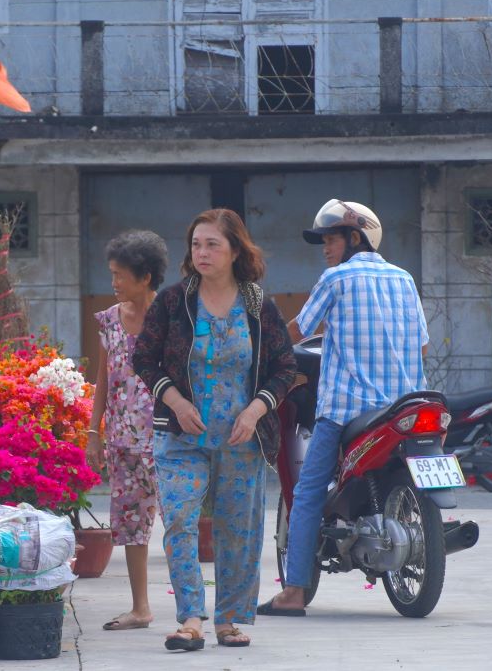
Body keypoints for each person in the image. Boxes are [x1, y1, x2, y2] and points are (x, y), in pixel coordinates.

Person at [133, 209, 296, 650]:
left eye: (212, 245)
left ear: (236, 250)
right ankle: (190, 618)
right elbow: (143, 359)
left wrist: (256, 411)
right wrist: (177, 401)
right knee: (181, 521)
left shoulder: (259, 305)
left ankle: (229, 619)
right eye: (196, 244)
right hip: (181, 435)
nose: (202, 253)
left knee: (238, 529)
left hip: (241, 438)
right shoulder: (173, 302)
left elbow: (284, 367)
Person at [257, 199, 429, 617]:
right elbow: (422, 344)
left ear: (355, 238)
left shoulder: (336, 278)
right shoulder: (404, 278)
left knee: (306, 493)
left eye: (331, 239)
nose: (325, 248)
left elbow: (298, 330)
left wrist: (260, 349)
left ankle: (294, 592)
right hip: (407, 406)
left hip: (346, 409)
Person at [86, 230, 168, 632]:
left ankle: (193, 607)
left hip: (169, 439)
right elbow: (103, 378)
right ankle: (141, 608)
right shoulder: (108, 321)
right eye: (112, 274)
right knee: (133, 525)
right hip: (122, 441)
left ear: (146, 276)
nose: (114, 282)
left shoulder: (171, 319)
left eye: (121, 275)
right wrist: (93, 432)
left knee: (180, 522)